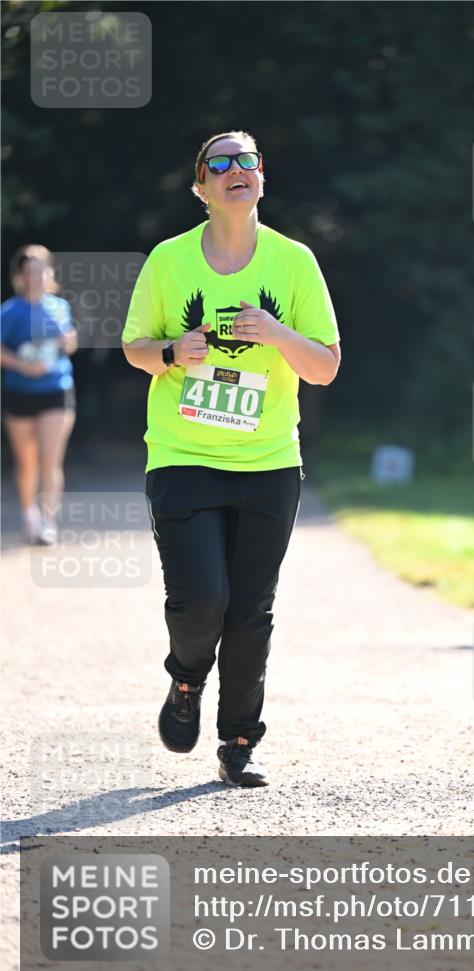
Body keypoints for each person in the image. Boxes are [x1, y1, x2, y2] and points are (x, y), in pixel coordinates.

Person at [121, 130, 340, 787]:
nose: (236, 170)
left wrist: (275, 333)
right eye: (221, 163)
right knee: (201, 601)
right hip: (183, 453)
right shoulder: (167, 259)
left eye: (247, 160)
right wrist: (171, 352)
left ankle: (239, 741)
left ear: (261, 179)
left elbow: (325, 367)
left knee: (250, 608)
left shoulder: (293, 262)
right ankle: (186, 681)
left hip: (269, 461)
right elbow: (134, 346)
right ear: (201, 188)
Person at [0, 245, 77, 545]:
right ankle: (29, 516)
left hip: (56, 389)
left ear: (49, 273)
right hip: (20, 392)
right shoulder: (9, 311)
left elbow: (69, 345)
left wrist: (68, 341)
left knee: (49, 458)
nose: (35, 276)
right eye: (29, 271)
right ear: (20, 275)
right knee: (27, 462)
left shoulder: (60, 307)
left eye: (41, 270)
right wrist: (22, 366)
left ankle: (49, 523)